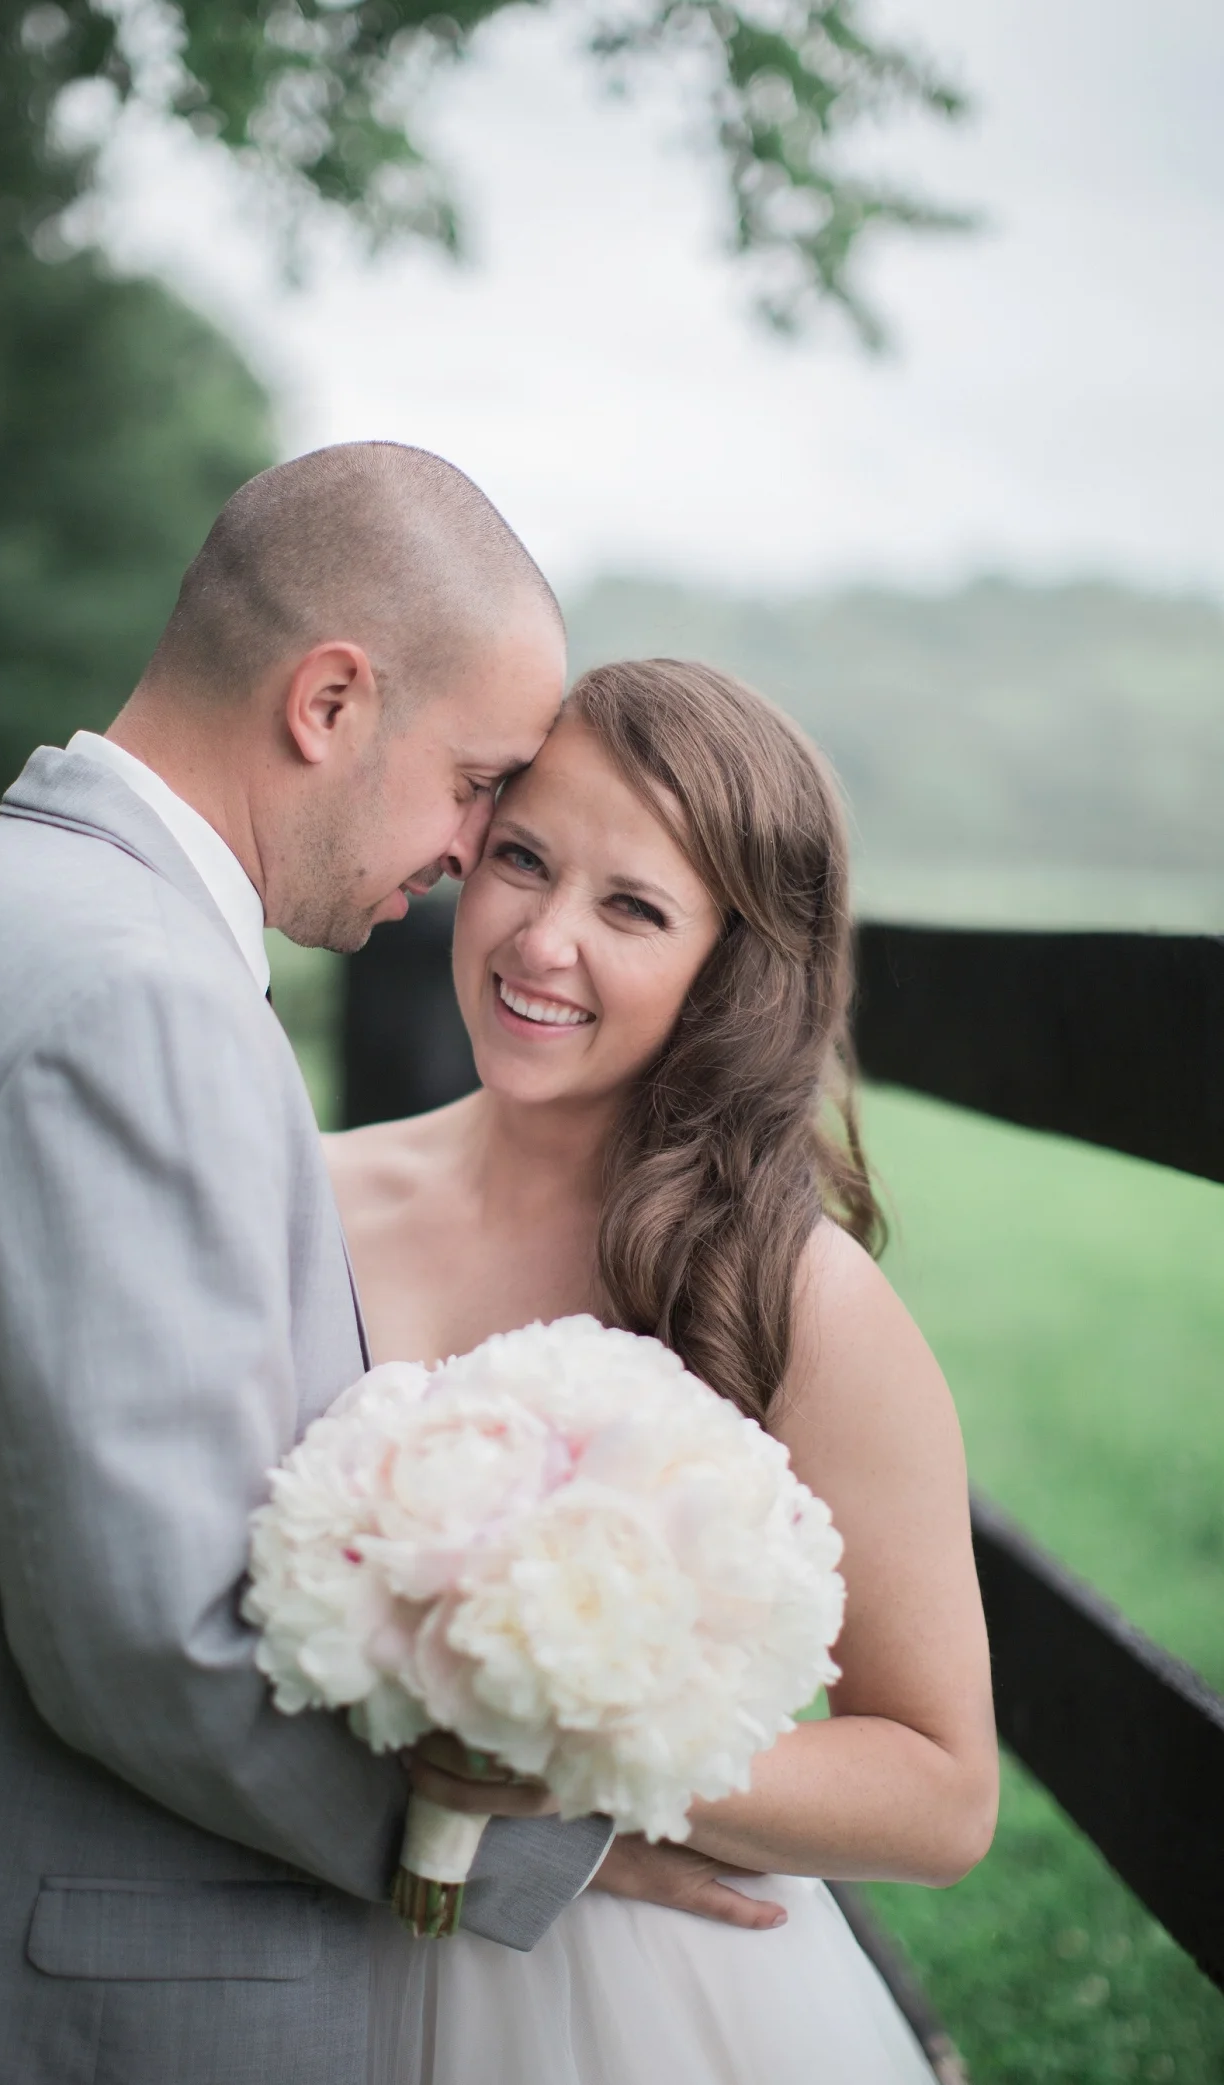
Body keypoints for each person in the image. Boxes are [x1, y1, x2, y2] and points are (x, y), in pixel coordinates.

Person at [0, 442, 632, 2085]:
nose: (477, 853)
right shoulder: (135, 1003)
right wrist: (531, 1849)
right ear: (330, 702)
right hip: (64, 1990)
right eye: (479, 782)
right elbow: (154, 1637)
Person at [326, 658, 1001, 2085]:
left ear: (731, 967)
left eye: (632, 907)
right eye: (522, 860)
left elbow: (942, 1794)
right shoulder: (302, 1200)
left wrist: (576, 1775)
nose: (541, 940)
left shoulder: (791, 1293)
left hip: (651, 2006)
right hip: (299, 1935)